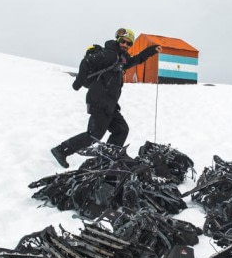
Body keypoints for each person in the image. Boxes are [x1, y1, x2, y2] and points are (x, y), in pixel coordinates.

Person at [51, 28, 162, 168]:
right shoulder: (110, 54)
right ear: (118, 40)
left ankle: (107, 159)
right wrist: (78, 82)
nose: (125, 45)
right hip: (99, 101)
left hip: (110, 105)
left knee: (121, 129)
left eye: (129, 44)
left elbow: (137, 60)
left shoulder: (121, 59)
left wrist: (152, 50)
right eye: (123, 42)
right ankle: (61, 150)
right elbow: (87, 62)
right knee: (94, 135)